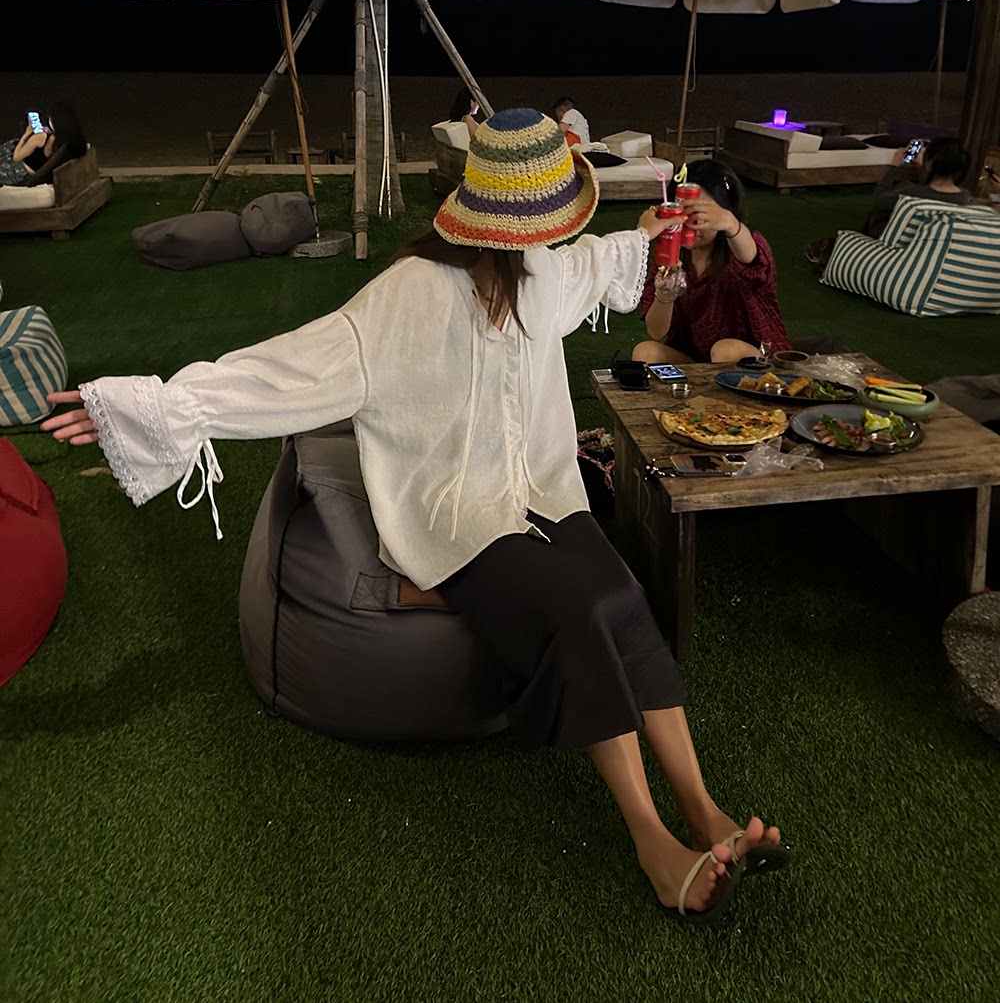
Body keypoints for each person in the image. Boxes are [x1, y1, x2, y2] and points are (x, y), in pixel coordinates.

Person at [42, 108, 785, 926]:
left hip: (538, 488)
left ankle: (704, 810)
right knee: (577, 612)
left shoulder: (539, 268)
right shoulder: (409, 295)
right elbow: (291, 366)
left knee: (621, 593)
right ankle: (652, 840)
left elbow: (592, 265)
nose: (548, 236)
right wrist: (147, 405)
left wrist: (644, 236)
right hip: (453, 510)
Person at [632, 160, 789, 366]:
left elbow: (750, 257)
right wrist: (664, 296)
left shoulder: (741, 247)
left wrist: (731, 224)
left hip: (756, 360)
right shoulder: (671, 257)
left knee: (725, 350)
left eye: (700, 215)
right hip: (697, 359)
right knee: (645, 352)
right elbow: (656, 331)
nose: (690, 224)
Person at [864, 136, 974, 237]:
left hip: (903, 238)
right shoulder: (964, 197)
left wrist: (893, 165)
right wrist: (923, 167)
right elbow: (933, 191)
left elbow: (879, 199)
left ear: (930, 161)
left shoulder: (910, 194)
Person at [0, 115, 52, 186]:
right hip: (29, 170)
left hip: (20, 171)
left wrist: (27, 133)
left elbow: (16, 158)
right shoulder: (55, 138)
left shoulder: (41, 136)